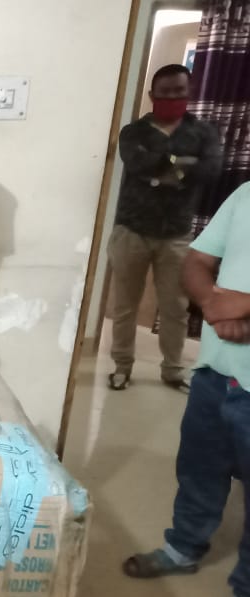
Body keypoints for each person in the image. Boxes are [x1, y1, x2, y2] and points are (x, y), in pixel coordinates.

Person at [122, 181, 250, 597]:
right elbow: (197, 261)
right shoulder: (245, 194)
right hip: (216, 369)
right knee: (198, 469)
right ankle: (182, 549)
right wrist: (214, 303)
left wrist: (245, 304)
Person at [106, 64, 221, 392]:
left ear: (189, 92)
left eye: (179, 91)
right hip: (131, 229)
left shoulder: (204, 133)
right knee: (125, 306)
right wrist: (184, 164)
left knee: (176, 307)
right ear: (152, 94)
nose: (172, 97)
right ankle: (121, 367)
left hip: (177, 234)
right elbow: (137, 162)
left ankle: (172, 370)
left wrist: (162, 168)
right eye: (165, 92)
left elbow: (211, 171)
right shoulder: (133, 133)